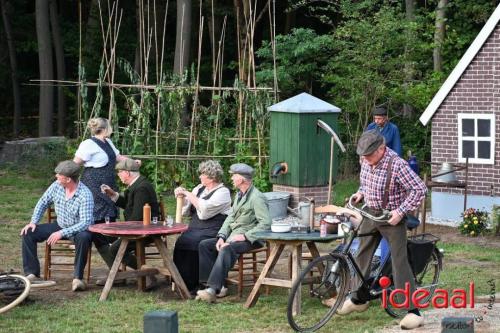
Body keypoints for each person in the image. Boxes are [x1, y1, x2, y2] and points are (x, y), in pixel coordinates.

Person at [337, 130, 427, 330]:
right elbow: (365, 181)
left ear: (381, 149)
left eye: (369, 155)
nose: (365, 160)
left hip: (392, 218)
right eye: (363, 156)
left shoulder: (397, 165)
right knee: (361, 252)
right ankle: (359, 299)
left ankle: (413, 312)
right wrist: (360, 193)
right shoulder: (366, 160)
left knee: (398, 261)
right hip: (371, 213)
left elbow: (420, 189)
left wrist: (401, 211)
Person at [196, 163, 271, 303]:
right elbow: (230, 217)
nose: (231, 178)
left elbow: (266, 223)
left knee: (227, 248)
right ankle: (212, 286)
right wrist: (221, 236)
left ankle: (212, 290)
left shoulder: (257, 197)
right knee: (205, 245)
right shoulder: (239, 195)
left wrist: (245, 236)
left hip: (251, 240)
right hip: (234, 236)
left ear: (241, 179)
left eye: (233, 176)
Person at [73, 117, 140, 266]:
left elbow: (118, 158)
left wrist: (132, 162)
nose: (112, 129)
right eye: (110, 126)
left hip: (108, 183)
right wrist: (70, 182)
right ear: (104, 128)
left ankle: (116, 257)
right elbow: (76, 162)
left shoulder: (108, 142)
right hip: (93, 184)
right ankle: (115, 259)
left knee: (108, 219)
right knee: (98, 221)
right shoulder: (88, 144)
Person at [20, 160, 94, 292]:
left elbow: (85, 223)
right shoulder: (56, 186)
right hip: (60, 225)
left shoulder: (85, 194)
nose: (56, 177)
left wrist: (62, 233)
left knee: (84, 237)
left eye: (59, 175)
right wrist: (33, 222)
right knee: (28, 233)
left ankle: (77, 279)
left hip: (78, 229)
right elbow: (43, 202)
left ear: (68, 179)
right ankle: (32, 273)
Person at [173, 160, 232, 295]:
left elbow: (205, 211)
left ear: (211, 177)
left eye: (202, 174)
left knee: (197, 243)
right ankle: (184, 283)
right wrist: (181, 196)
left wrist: (188, 194)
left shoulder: (223, 192)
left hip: (212, 229)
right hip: (195, 228)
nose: (200, 177)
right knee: (181, 241)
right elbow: (186, 210)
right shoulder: (199, 189)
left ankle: (201, 284)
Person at [99, 158, 159, 273]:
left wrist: (120, 229)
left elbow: (137, 217)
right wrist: (112, 194)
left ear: (127, 173)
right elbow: (128, 205)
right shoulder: (137, 184)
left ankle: (147, 273)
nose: (118, 175)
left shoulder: (141, 188)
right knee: (109, 242)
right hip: (138, 228)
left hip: (145, 231)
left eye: (120, 172)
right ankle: (141, 272)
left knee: (115, 249)